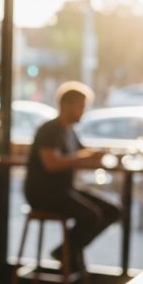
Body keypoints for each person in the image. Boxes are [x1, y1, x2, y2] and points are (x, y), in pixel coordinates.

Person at [24, 81, 120, 270]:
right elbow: (51, 164)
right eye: (81, 107)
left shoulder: (69, 131)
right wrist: (85, 156)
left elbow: (82, 156)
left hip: (64, 190)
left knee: (113, 211)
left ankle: (68, 253)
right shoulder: (49, 130)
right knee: (91, 216)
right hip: (44, 194)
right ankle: (67, 254)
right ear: (66, 105)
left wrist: (101, 155)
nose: (83, 112)